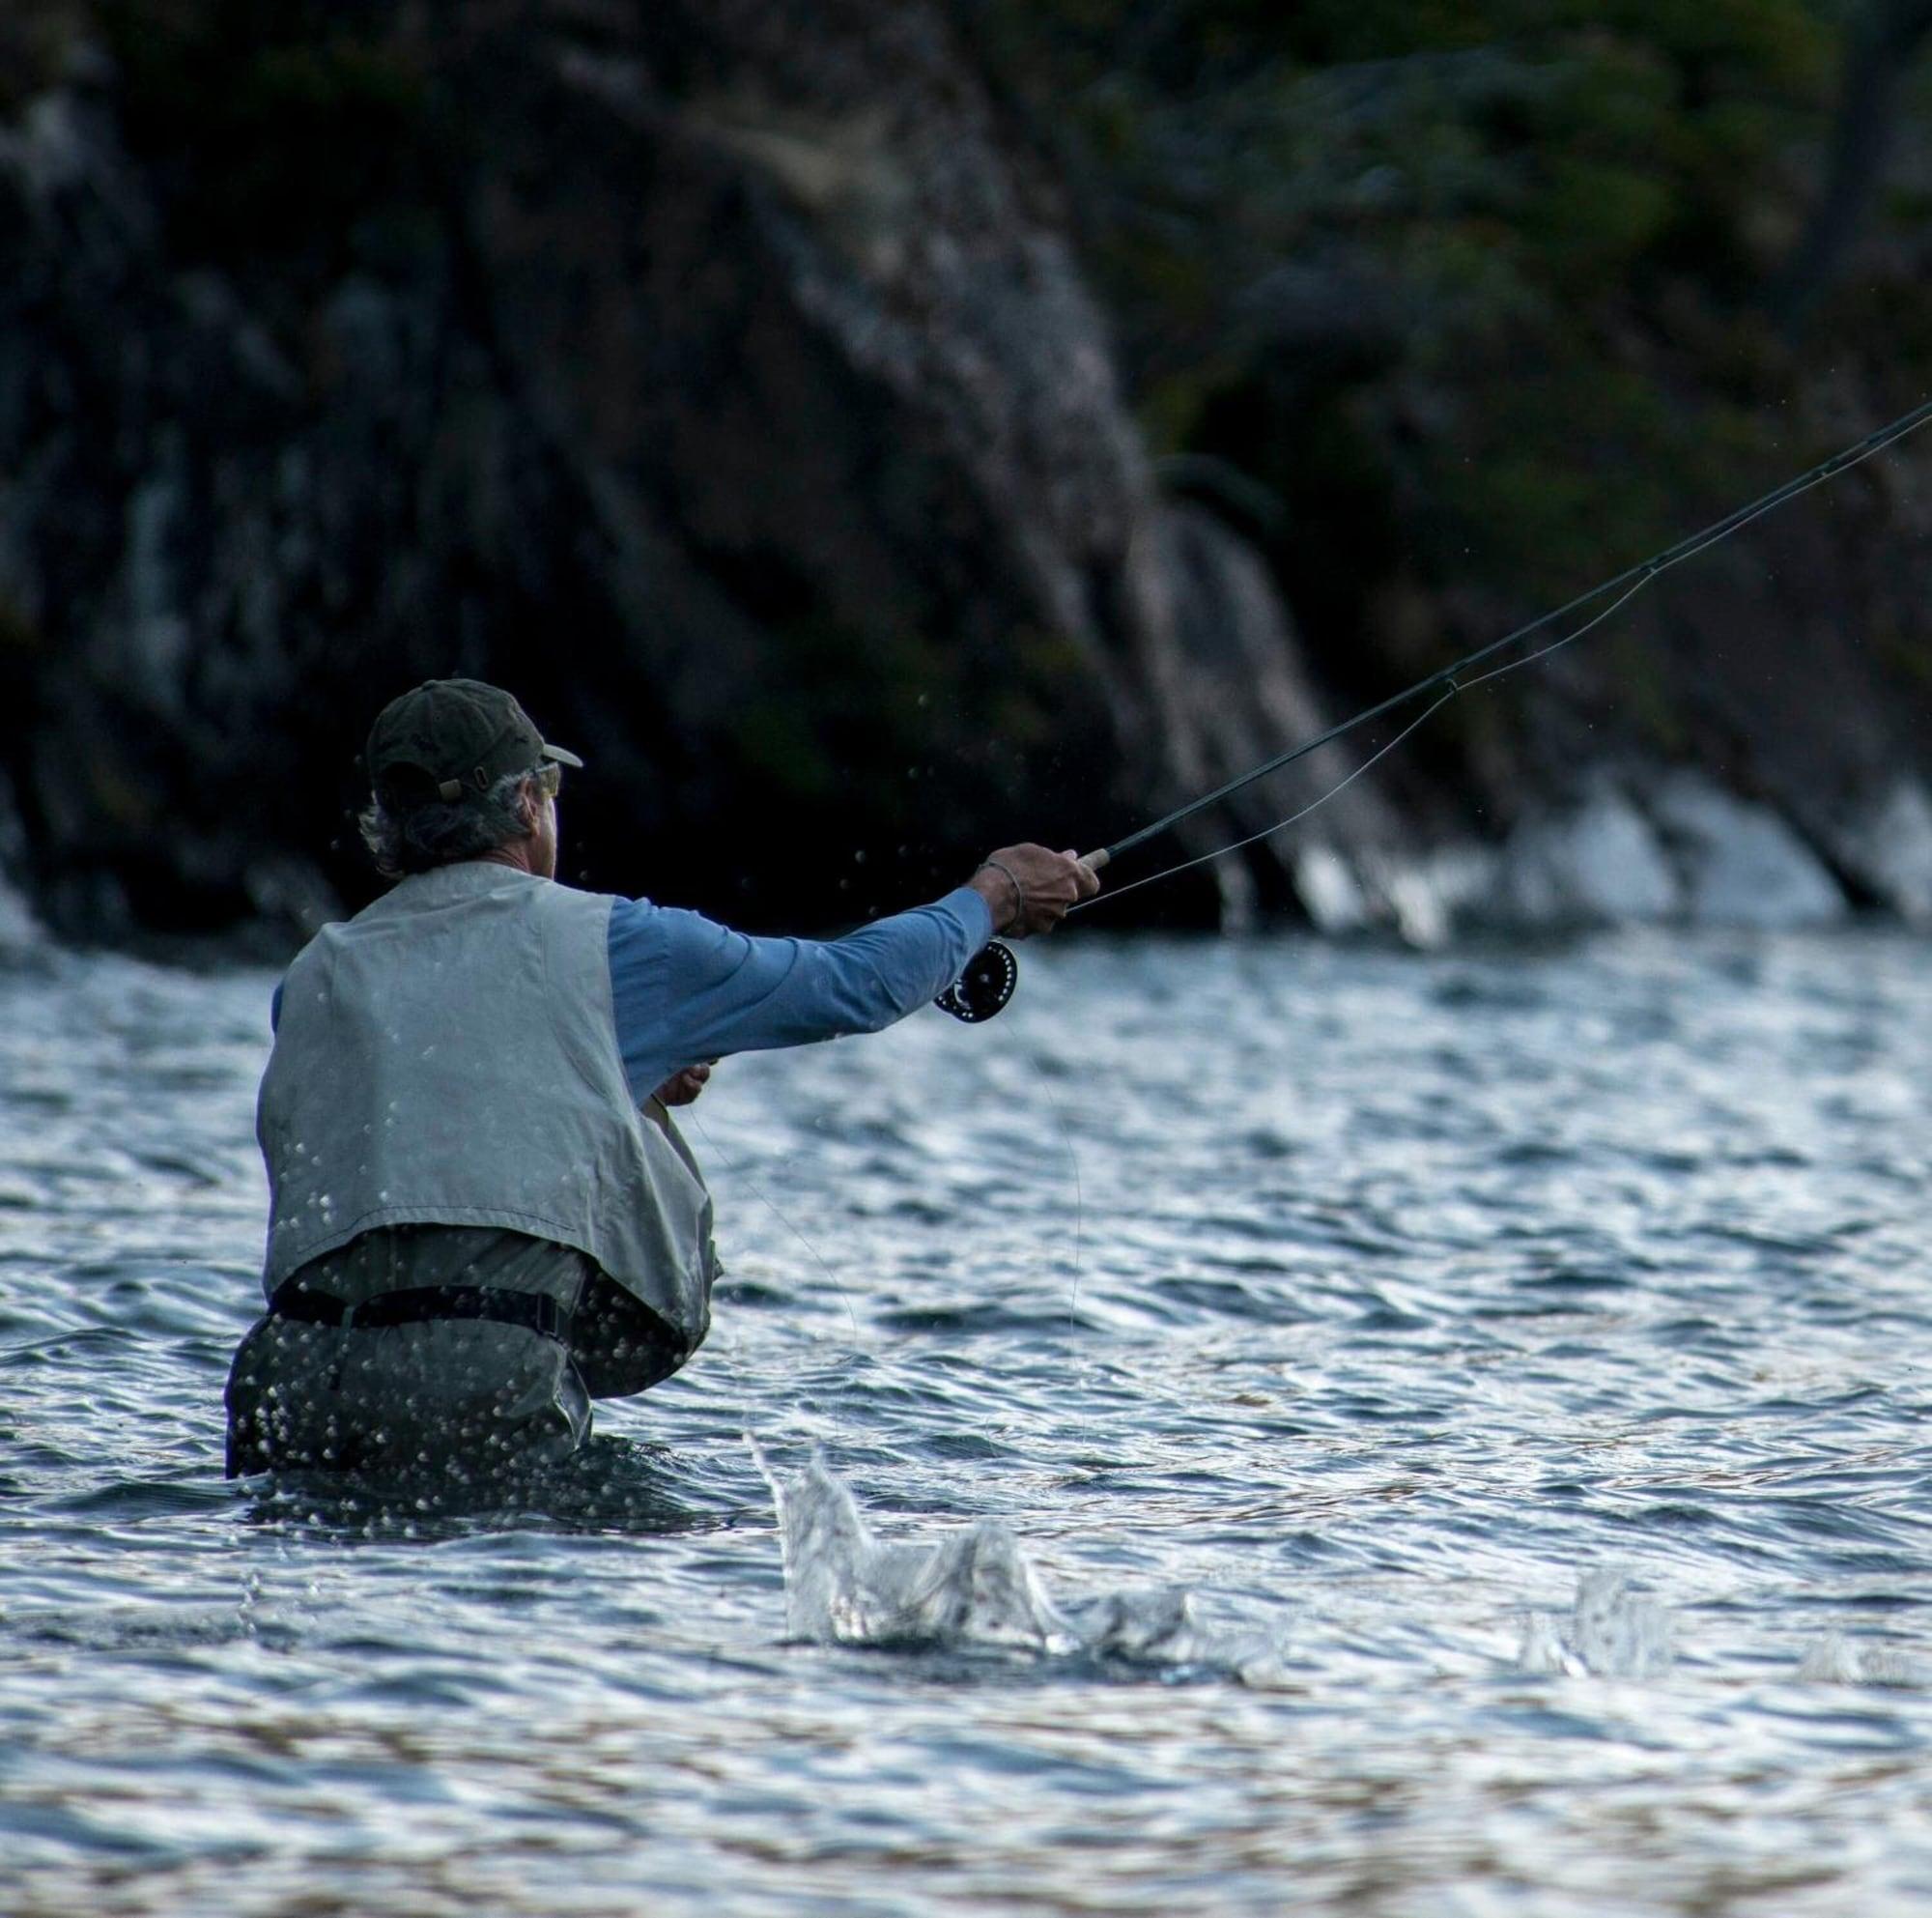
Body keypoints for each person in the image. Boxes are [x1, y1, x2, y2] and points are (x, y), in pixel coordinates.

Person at [225, 678, 1099, 1477]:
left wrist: (617, 1087)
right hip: (479, 1381)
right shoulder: (613, 943)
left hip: (287, 1386)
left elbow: (411, 1143)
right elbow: (854, 985)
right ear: (528, 803)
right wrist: (991, 898)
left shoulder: (314, 975)